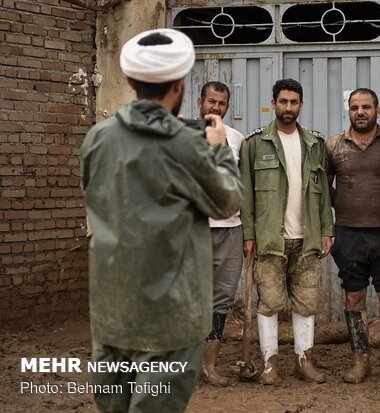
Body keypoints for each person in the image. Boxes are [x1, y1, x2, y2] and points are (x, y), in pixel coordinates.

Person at [80, 29, 242, 412]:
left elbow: (95, 197)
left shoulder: (98, 138)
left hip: (112, 307)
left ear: (132, 81)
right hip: (170, 312)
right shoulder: (188, 145)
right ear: (180, 84)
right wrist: (217, 150)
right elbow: (226, 202)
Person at [239, 78, 334, 385]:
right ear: (274, 103)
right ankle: (270, 364)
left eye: (294, 102)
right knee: (269, 302)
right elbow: (246, 196)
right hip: (270, 238)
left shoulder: (314, 144)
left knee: (306, 302)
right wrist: (249, 235)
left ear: (301, 105)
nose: (289, 108)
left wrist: (326, 230)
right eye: (283, 102)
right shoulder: (255, 143)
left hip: (306, 238)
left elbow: (323, 194)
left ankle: (304, 361)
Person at [326, 88, 380, 384]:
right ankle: (359, 359)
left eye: (366, 107)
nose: (360, 112)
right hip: (349, 235)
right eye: (355, 107)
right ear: (348, 111)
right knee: (354, 296)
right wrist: (346, 205)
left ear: (378, 110)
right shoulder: (334, 147)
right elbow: (325, 189)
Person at [197, 81, 245, 387]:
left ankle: (210, 366)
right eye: (211, 101)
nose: (216, 107)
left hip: (230, 229)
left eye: (222, 103)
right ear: (200, 101)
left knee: (221, 299)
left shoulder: (237, 139)